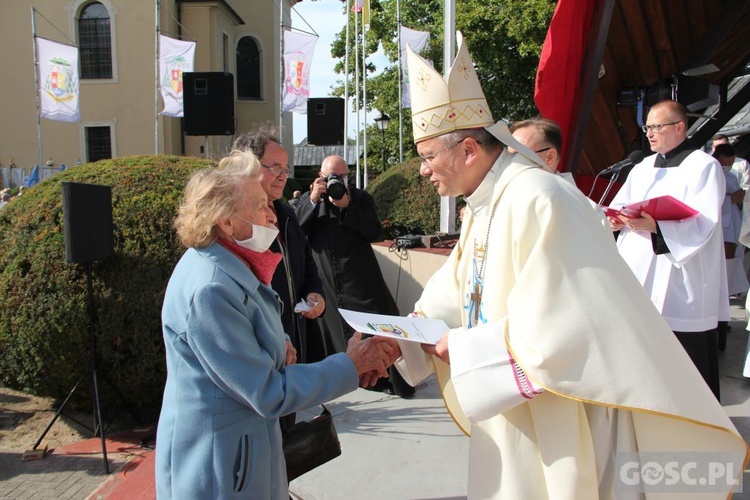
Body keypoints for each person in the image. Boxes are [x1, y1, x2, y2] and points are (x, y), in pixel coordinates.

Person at [392, 32, 746, 498]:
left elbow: (566, 326)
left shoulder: (539, 197)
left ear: (469, 151)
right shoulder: (487, 201)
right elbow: (459, 284)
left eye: (427, 156)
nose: (422, 169)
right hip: (512, 407)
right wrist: (406, 335)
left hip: (558, 410)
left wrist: (461, 346)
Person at [155, 150, 394, 499]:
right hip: (220, 472)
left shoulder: (233, 263)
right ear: (225, 221)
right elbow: (266, 391)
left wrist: (280, 345)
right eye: (258, 206)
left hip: (243, 459)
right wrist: (351, 364)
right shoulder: (210, 287)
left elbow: (252, 334)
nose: (271, 214)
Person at [608, 100, 727, 400]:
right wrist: (615, 220)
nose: (649, 133)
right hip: (638, 271)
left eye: (657, 127)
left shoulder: (704, 166)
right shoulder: (642, 166)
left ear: (680, 127)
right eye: (647, 127)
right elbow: (622, 205)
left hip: (680, 277)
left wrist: (658, 228)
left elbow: (706, 220)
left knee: (686, 365)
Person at [294, 155, 415, 398]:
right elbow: (294, 231)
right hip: (326, 279)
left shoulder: (360, 198)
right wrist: (313, 200)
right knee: (332, 330)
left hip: (360, 276)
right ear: (320, 176)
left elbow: (374, 231)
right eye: (330, 177)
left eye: (341, 176)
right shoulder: (307, 201)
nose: (335, 182)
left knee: (377, 322)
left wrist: (346, 207)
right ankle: (344, 378)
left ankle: (387, 379)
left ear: (348, 176)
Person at [233, 124, 325, 365]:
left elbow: (306, 263)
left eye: (285, 169)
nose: (284, 175)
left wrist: (315, 293)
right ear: (249, 166)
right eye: (275, 168)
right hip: (263, 351)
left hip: (296, 341)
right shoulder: (237, 224)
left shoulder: (287, 213)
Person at [509, 117, 574, 184]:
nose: (508, 163)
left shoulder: (558, 193)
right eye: (507, 155)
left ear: (549, 157)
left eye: (518, 155)